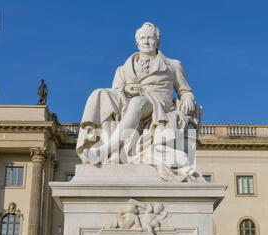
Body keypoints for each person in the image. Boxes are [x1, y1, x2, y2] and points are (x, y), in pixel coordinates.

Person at [76, 22, 198, 175]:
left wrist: (188, 98)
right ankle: (98, 146)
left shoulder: (172, 65)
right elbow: (115, 91)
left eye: (150, 38)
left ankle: (105, 150)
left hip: (157, 102)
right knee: (100, 94)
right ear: (137, 42)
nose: (146, 41)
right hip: (128, 100)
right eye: (143, 38)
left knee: (137, 103)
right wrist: (126, 88)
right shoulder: (122, 69)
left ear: (157, 41)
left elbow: (185, 91)